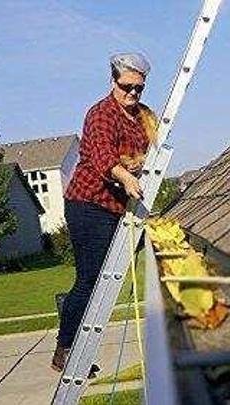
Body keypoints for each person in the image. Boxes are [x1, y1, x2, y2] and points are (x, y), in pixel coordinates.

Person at [51, 52, 158, 372]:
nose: (133, 93)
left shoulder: (143, 117)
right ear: (113, 81)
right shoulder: (100, 114)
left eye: (139, 88)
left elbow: (153, 151)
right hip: (88, 204)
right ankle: (65, 348)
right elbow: (102, 158)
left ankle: (69, 313)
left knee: (154, 242)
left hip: (121, 205)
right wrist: (126, 177)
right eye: (127, 86)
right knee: (91, 279)